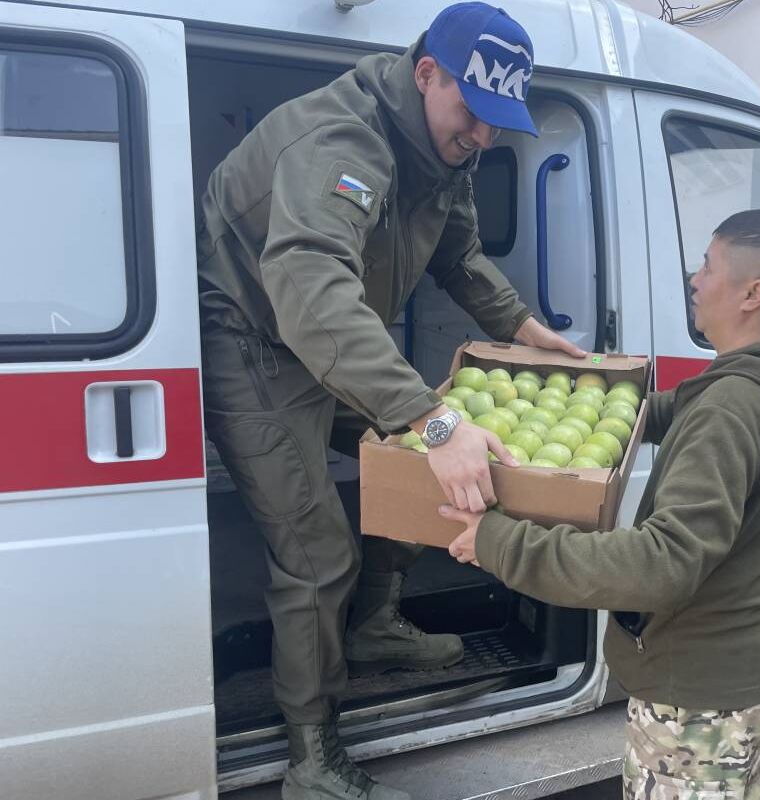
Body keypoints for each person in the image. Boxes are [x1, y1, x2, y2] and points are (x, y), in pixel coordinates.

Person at [195, 3, 584, 797]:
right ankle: (313, 762)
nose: (482, 137)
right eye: (472, 116)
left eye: (496, 124)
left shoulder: (446, 150)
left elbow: (458, 249)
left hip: (327, 332)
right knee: (316, 552)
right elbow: (308, 289)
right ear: (426, 72)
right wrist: (435, 419)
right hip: (254, 340)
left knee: (414, 466)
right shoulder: (342, 139)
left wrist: (520, 324)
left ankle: (372, 627)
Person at [441, 209, 760, 800]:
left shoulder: (729, 410)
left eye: (708, 267)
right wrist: (589, 381)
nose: (695, 279)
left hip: (699, 698)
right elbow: (663, 410)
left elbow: (660, 564)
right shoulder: (758, 380)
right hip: (738, 672)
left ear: (752, 294)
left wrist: (498, 541)